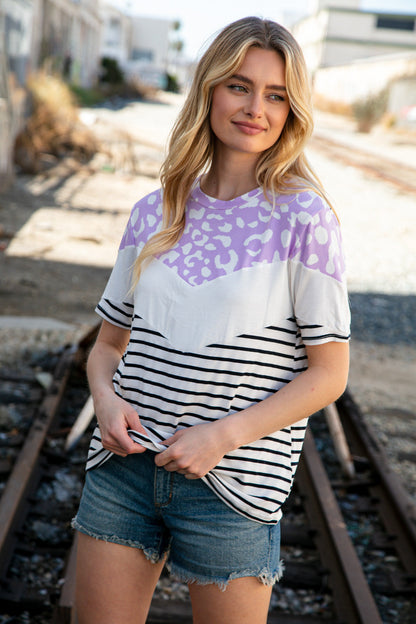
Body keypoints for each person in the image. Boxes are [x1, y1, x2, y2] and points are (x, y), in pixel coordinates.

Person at [72, 16, 350, 624]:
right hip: (123, 471)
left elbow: (329, 375)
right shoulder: (155, 211)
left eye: (276, 95)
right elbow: (107, 346)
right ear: (209, 90)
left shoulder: (304, 219)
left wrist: (221, 436)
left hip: (235, 489)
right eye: (239, 86)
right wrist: (105, 400)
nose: (256, 108)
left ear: (292, 110)